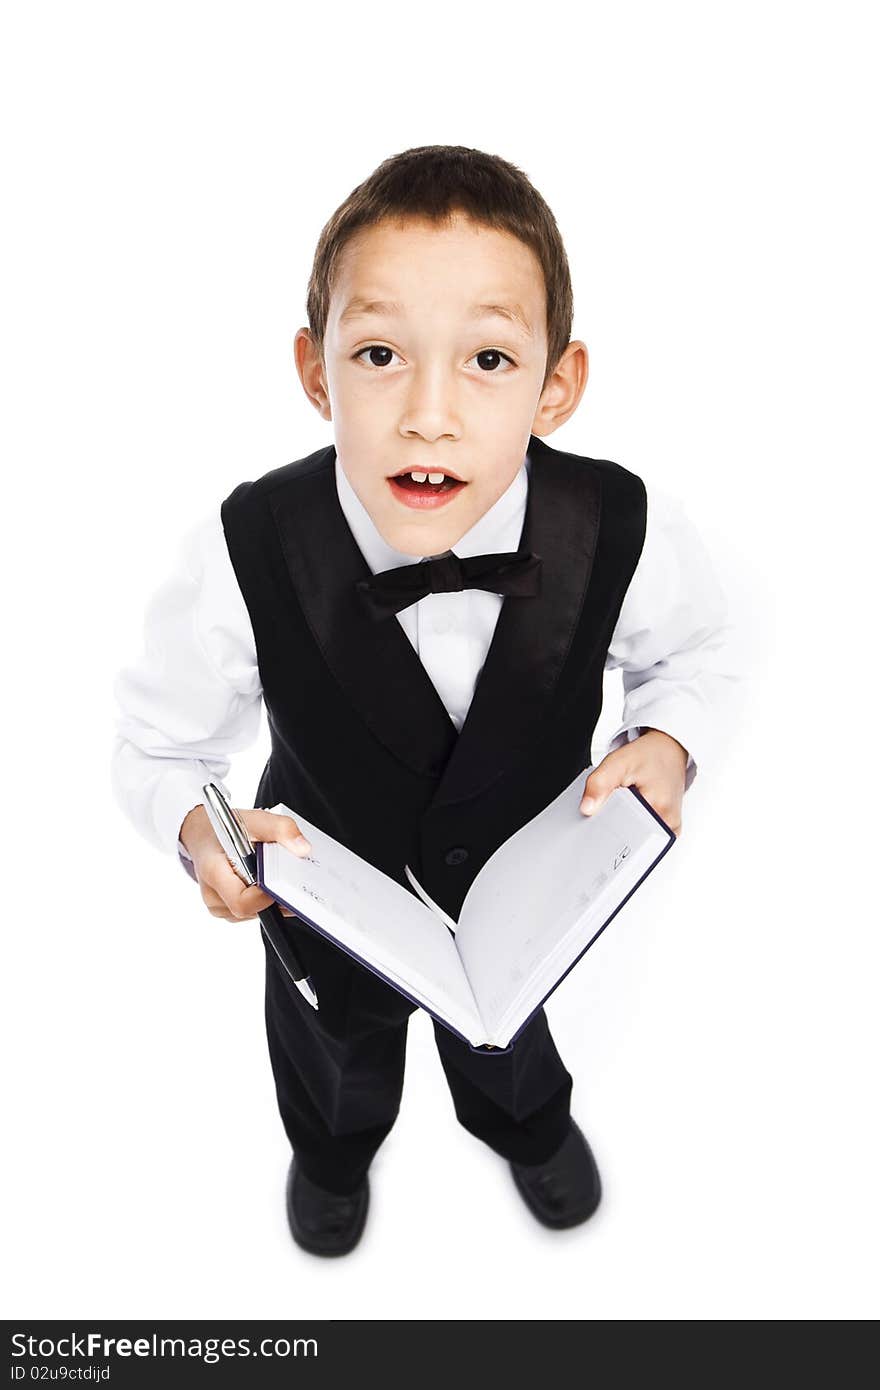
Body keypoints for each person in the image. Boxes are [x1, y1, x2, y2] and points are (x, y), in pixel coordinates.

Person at [111, 144, 740, 1257]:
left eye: (489, 358)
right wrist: (201, 841)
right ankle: (332, 1159)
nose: (429, 413)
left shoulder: (618, 523)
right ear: (316, 372)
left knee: (511, 1048)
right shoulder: (250, 543)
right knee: (331, 1059)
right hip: (324, 912)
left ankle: (524, 1128)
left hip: (523, 907)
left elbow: (692, 654)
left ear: (559, 382)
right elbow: (161, 747)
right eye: (381, 354)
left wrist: (670, 741)